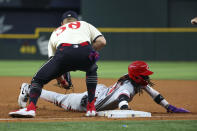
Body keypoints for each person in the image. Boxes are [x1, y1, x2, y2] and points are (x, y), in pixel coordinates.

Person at [9, 10, 106, 117]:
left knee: (38, 80)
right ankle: (91, 109)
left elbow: (55, 63)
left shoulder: (57, 31)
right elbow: (102, 41)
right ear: (77, 21)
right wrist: (90, 51)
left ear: (62, 23)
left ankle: (31, 108)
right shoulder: (85, 24)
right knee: (91, 68)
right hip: (85, 51)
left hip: (64, 53)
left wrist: (62, 82)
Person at [9, 61, 189, 117]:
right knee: (58, 99)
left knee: (60, 98)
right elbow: (122, 99)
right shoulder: (127, 86)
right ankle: (28, 87)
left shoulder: (135, 82)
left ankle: (30, 88)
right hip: (84, 102)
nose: (147, 77)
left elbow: (153, 93)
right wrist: (127, 112)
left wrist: (169, 107)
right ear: (136, 76)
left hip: (98, 94)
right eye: (144, 75)